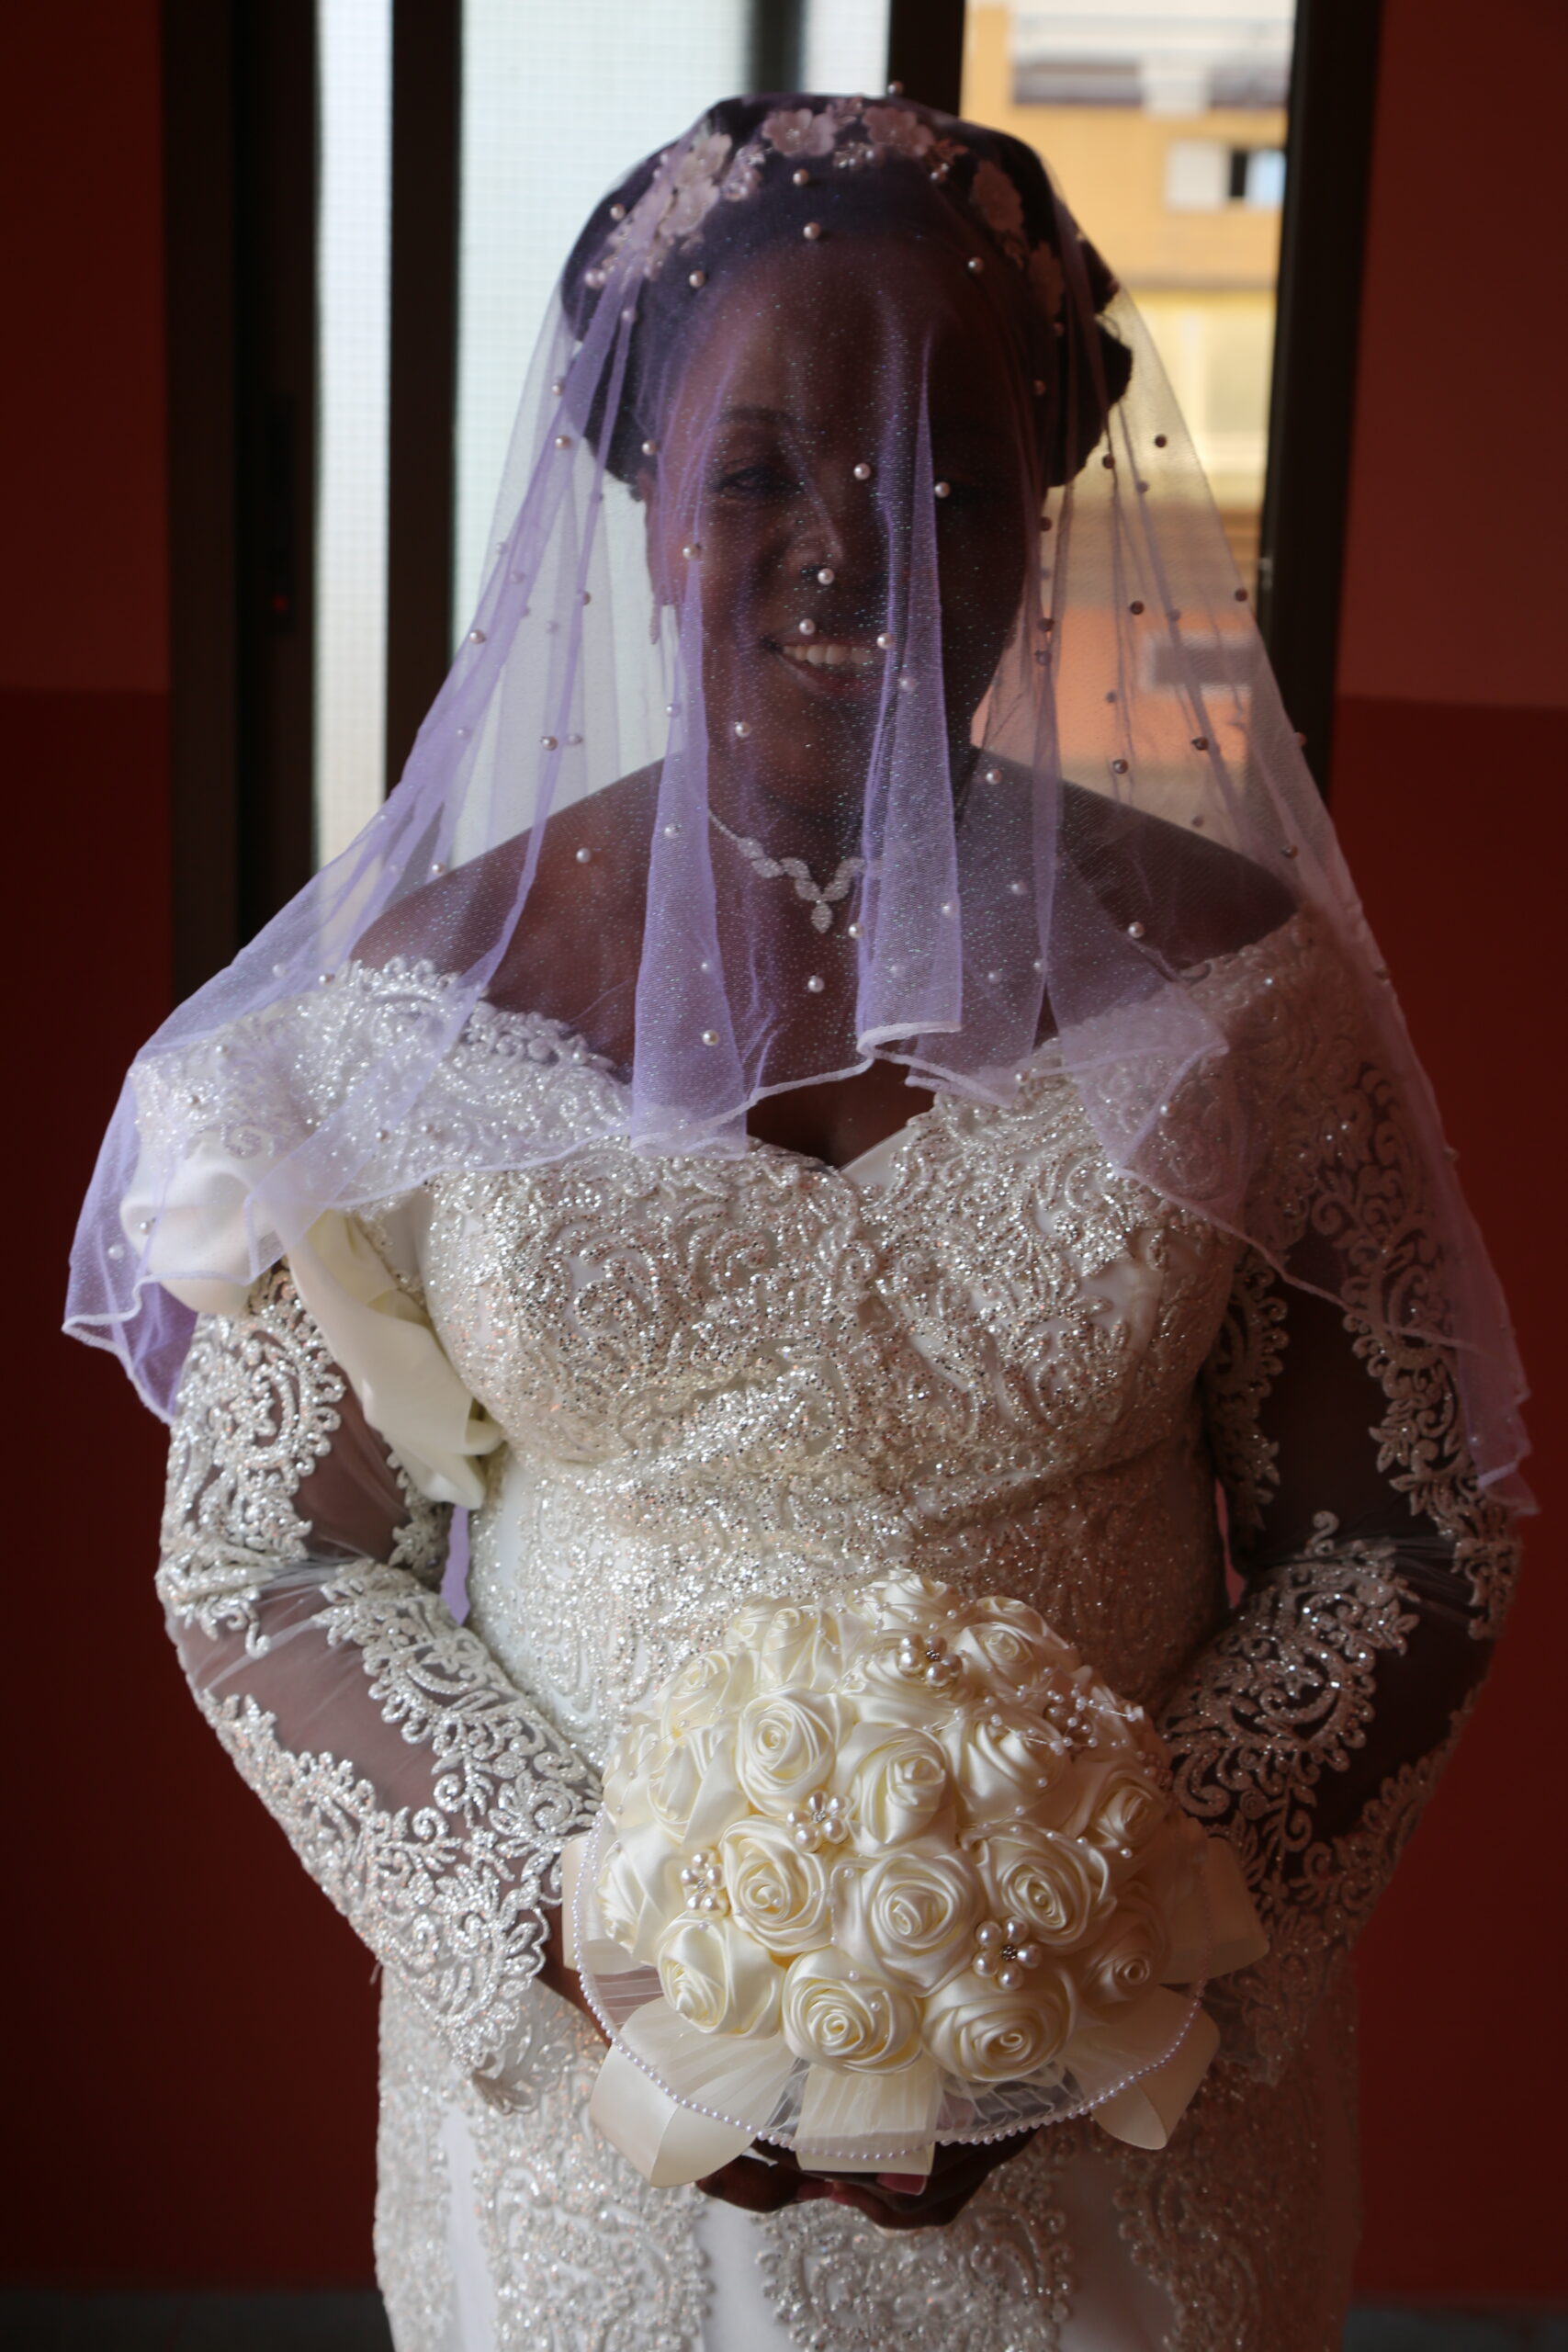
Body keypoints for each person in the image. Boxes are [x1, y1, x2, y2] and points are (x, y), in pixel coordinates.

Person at [69, 94, 1527, 2351]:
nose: (858, 548)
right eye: (761, 469)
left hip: (1126, 2125)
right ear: (647, 498)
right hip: (595, 2141)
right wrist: (577, 1929)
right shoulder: (405, 1010)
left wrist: (1103, 1946)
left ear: (1045, 506)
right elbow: (266, 1553)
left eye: (947, 476)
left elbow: (1399, 1532)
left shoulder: (1238, 998)